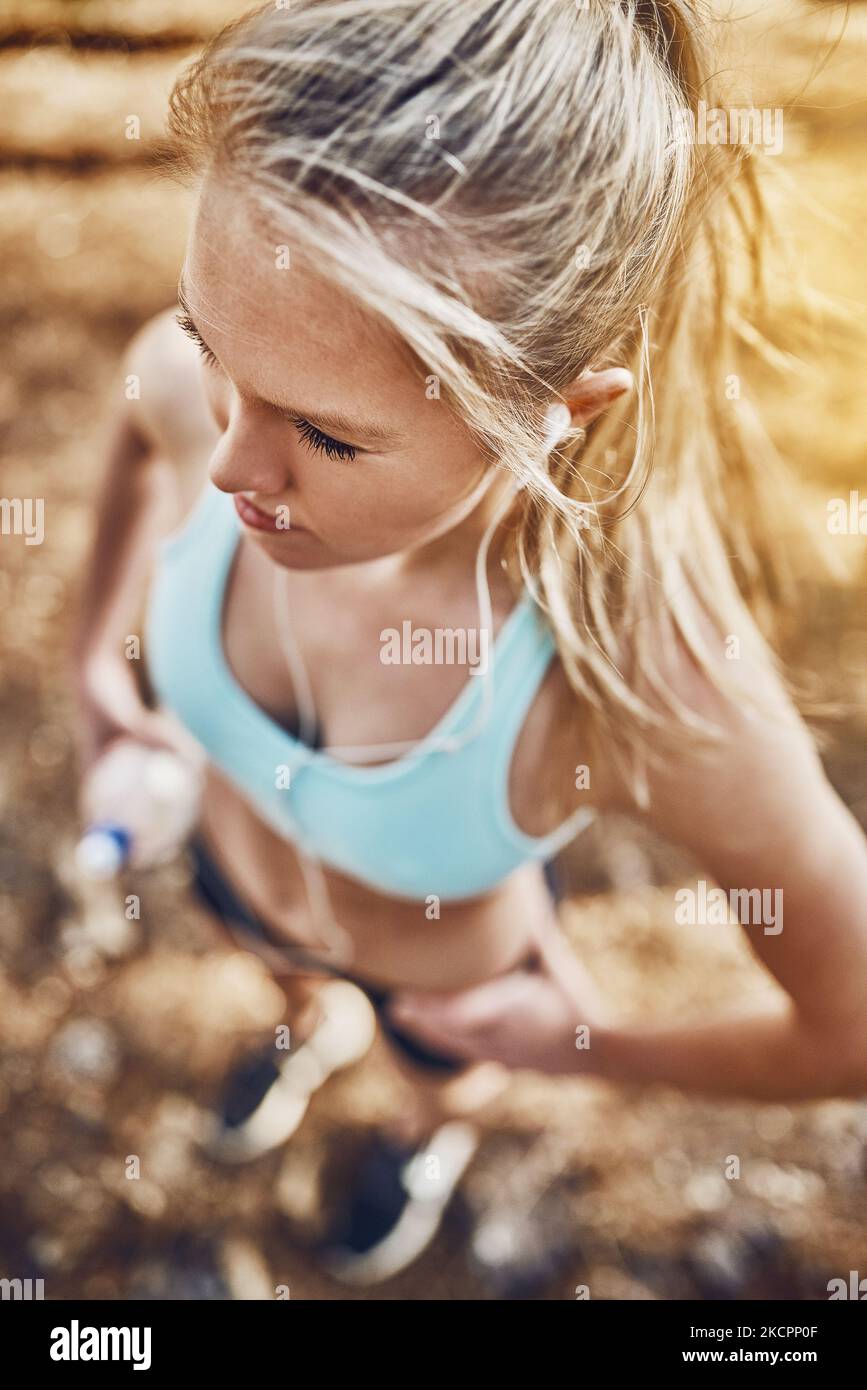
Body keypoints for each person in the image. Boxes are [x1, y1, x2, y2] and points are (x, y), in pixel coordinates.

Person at [75, 0, 867, 1285]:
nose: (228, 460)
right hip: (228, 886)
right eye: (213, 344)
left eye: (328, 437)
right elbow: (136, 429)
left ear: (559, 411)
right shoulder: (213, 392)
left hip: (445, 991)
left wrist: (580, 1045)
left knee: (429, 1080)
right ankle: (300, 1025)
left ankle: (418, 1138)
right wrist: (94, 678)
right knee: (283, 978)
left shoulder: (646, 678)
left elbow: (852, 1030)